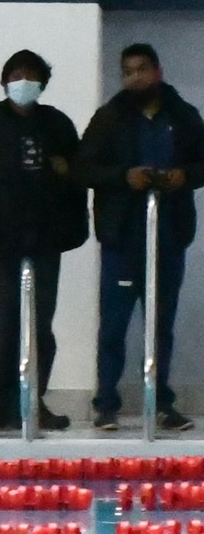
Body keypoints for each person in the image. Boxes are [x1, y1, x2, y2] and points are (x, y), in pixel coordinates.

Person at [0, 49, 87, 434]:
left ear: (43, 82)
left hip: (46, 242)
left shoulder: (58, 124)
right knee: (5, 326)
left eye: (31, 75)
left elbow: (79, 180)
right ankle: (4, 404)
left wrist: (69, 230)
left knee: (41, 327)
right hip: (1, 244)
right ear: (4, 80)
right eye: (16, 74)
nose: (23, 81)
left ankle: (35, 400)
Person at [77, 43, 204, 433]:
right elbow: (83, 169)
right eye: (128, 71)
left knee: (160, 324)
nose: (135, 78)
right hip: (122, 240)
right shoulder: (109, 119)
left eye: (141, 70)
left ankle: (162, 403)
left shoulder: (183, 116)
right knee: (113, 326)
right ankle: (106, 405)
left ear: (157, 71)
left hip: (168, 239)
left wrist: (185, 176)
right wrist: (123, 177)